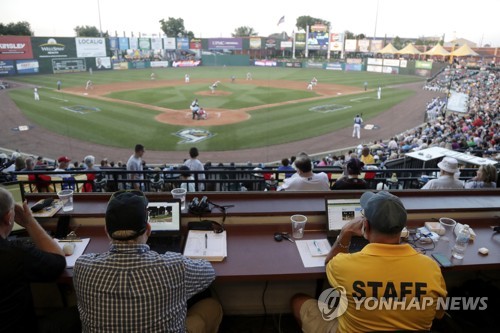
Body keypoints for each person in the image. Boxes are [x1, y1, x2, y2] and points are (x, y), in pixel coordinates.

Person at [292, 191, 447, 332]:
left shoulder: (344, 265)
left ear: (365, 225)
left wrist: (345, 233)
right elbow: (438, 313)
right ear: (402, 228)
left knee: (298, 300)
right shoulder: (430, 267)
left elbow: (330, 265)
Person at [73, 190, 222, 332]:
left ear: (106, 231)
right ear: (148, 229)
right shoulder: (176, 266)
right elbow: (209, 272)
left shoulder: (81, 266)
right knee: (211, 306)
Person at [0, 187, 73, 332]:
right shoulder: (16, 254)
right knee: (79, 313)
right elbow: (58, 261)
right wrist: (29, 222)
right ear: (9, 218)